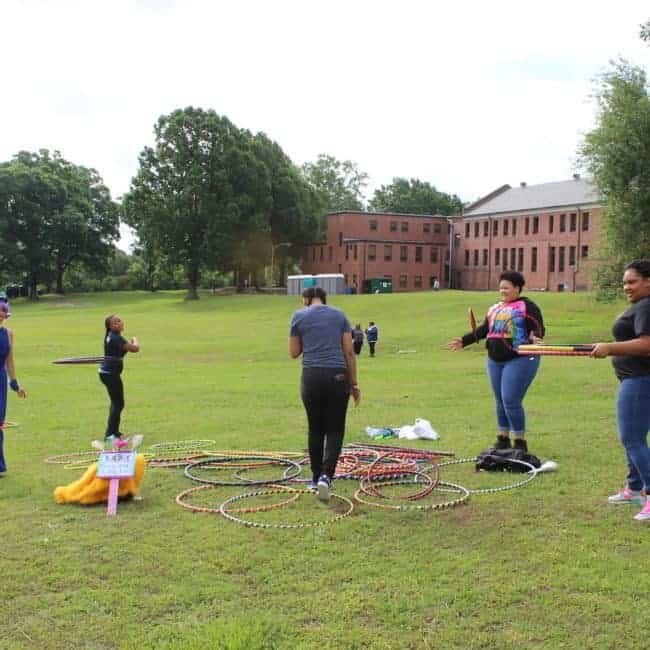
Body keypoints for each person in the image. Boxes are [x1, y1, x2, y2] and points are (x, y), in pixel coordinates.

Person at [448, 271, 544, 452]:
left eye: (506, 287)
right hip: (494, 360)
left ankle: (520, 442)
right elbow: (485, 329)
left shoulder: (527, 306)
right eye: (500, 288)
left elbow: (538, 326)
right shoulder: (495, 308)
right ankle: (503, 438)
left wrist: (536, 336)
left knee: (510, 399)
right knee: (500, 400)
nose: (502, 291)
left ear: (517, 288)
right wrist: (464, 340)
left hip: (519, 358)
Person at [591, 260, 650, 521]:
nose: (626, 287)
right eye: (624, 282)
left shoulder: (647, 305)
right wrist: (601, 346)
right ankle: (634, 489)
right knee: (633, 437)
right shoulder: (641, 306)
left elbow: (647, 345)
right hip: (635, 379)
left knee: (632, 438)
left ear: (648, 281)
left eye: (632, 282)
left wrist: (611, 348)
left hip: (639, 380)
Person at [289, 286, 361, 501]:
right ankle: (326, 477)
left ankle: (314, 477)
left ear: (308, 299)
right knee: (335, 429)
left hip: (311, 377)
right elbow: (349, 352)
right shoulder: (339, 315)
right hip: (337, 376)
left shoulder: (298, 316)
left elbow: (293, 353)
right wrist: (354, 383)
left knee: (315, 429)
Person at [99, 315, 139, 442]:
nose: (119, 323)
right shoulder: (116, 338)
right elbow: (135, 349)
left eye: (119, 321)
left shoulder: (113, 335)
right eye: (115, 323)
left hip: (108, 373)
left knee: (117, 403)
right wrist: (135, 339)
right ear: (110, 326)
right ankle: (110, 434)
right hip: (110, 374)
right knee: (118, 403)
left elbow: (124, 349)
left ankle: (114, 432)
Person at [0, 301, 27, 474]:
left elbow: (9, 361)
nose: (1, 319)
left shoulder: (8, 333)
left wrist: (15, 384)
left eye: (3, 316)